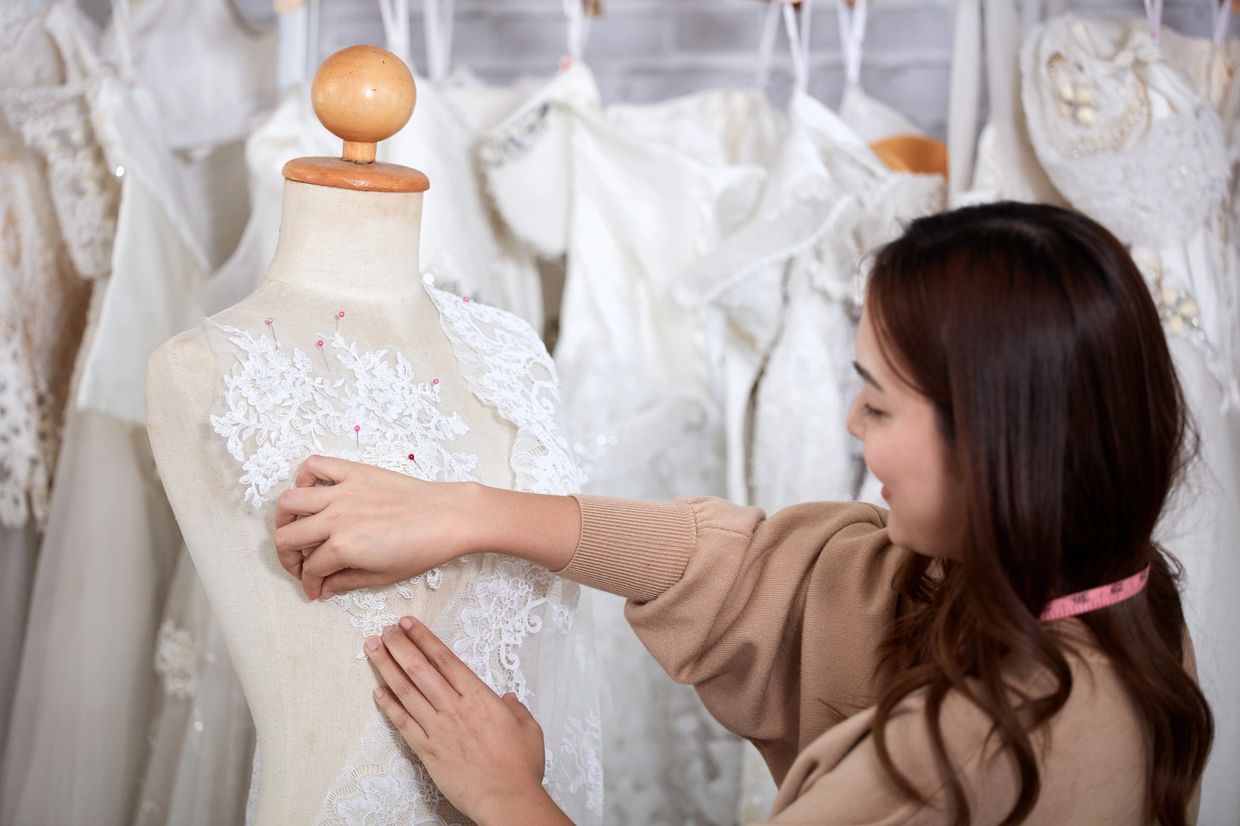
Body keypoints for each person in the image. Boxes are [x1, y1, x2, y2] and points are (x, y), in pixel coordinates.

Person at [271, 202, 1213, 825]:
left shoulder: (962, 755)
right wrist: (476, 511)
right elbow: (769, 572)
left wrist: (509, 793)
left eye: (879, 405)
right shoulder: (1118, 597)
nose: (850, 424)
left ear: (998, 444)